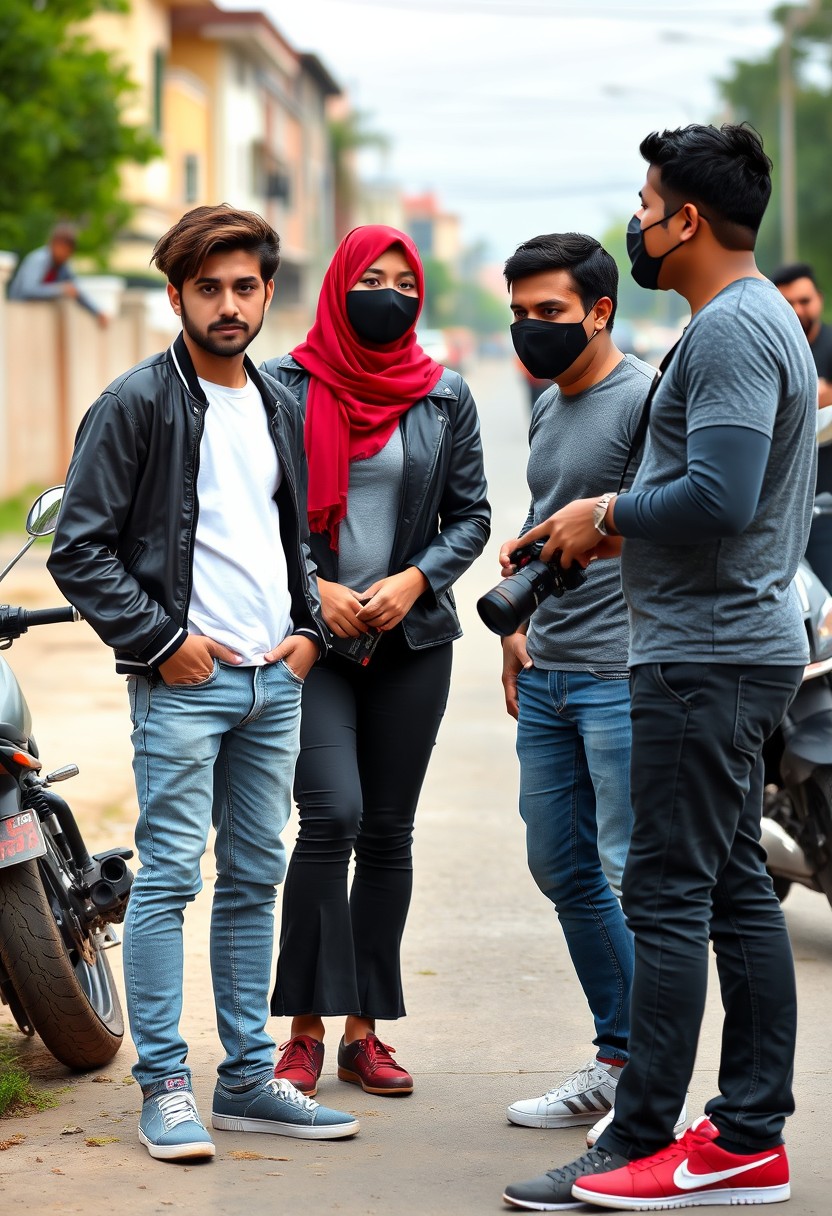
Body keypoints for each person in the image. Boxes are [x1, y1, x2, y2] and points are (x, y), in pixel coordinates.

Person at [502, 123, 816, 1211]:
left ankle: (636, 1141)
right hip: (725, 646)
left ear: (684, 218)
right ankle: (746, 1138)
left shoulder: (730, 330)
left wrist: (603, 512)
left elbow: (720, 498)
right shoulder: (748, 319)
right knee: (731, 890)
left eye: (644, 202)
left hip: (706, 655)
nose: (635, 219)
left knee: (671, 896)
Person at [47, 204, 360, 1163]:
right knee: (170, 879)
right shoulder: (138, 401)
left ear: (268, 292)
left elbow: (288, 539)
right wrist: (163, 639)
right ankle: (166, 1087)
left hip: (276, 681)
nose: (230, 305)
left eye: (246, 287)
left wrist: (307, 633)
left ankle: (247, 1082)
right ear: (177, 293)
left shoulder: (275, 401)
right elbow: (80, 550)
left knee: (255, 879)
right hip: (187, 683)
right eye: (210, 288)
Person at [261, 224, 490, 1099]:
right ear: (341, 284)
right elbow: (259, 514)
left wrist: (415, 578)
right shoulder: (281, 386)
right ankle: (305, 1030)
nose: (388, 293)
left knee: (389, 832)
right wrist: (311, 588)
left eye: (405, 281)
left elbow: (471, 514)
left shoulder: (446, 396)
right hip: (312, 643)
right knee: (331, 817)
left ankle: (364, 1031)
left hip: (411, 641)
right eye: (373, 277)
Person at [498, 233, 659, 1142]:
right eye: (520, 313)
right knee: (558, 863)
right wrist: (514, 631)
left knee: (626, 872)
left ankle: (643, 1080)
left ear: (599, 310)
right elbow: (537, 520)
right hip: (550, 666)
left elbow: (681, 516)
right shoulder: (549, 406)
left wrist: (597, 527)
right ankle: (619, 1057)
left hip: (621, 668)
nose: (532, 329)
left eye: (549, 313)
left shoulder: (644, 399)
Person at [772, 262, 832, 589]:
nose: (798, 309)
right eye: (788, 302)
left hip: (825, 504)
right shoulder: (773, 350)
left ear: (819, 299)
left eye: (804, 300)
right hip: (782, 507)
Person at [8, 223, 109, 327]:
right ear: (55, 244)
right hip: (18, 315)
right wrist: (60, 289)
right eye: (65, 249)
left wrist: (97, 312)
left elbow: (76, 291)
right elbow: (28, 289)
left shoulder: (62, 266)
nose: (67, 255)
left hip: (38, 320)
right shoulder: (38, 260)